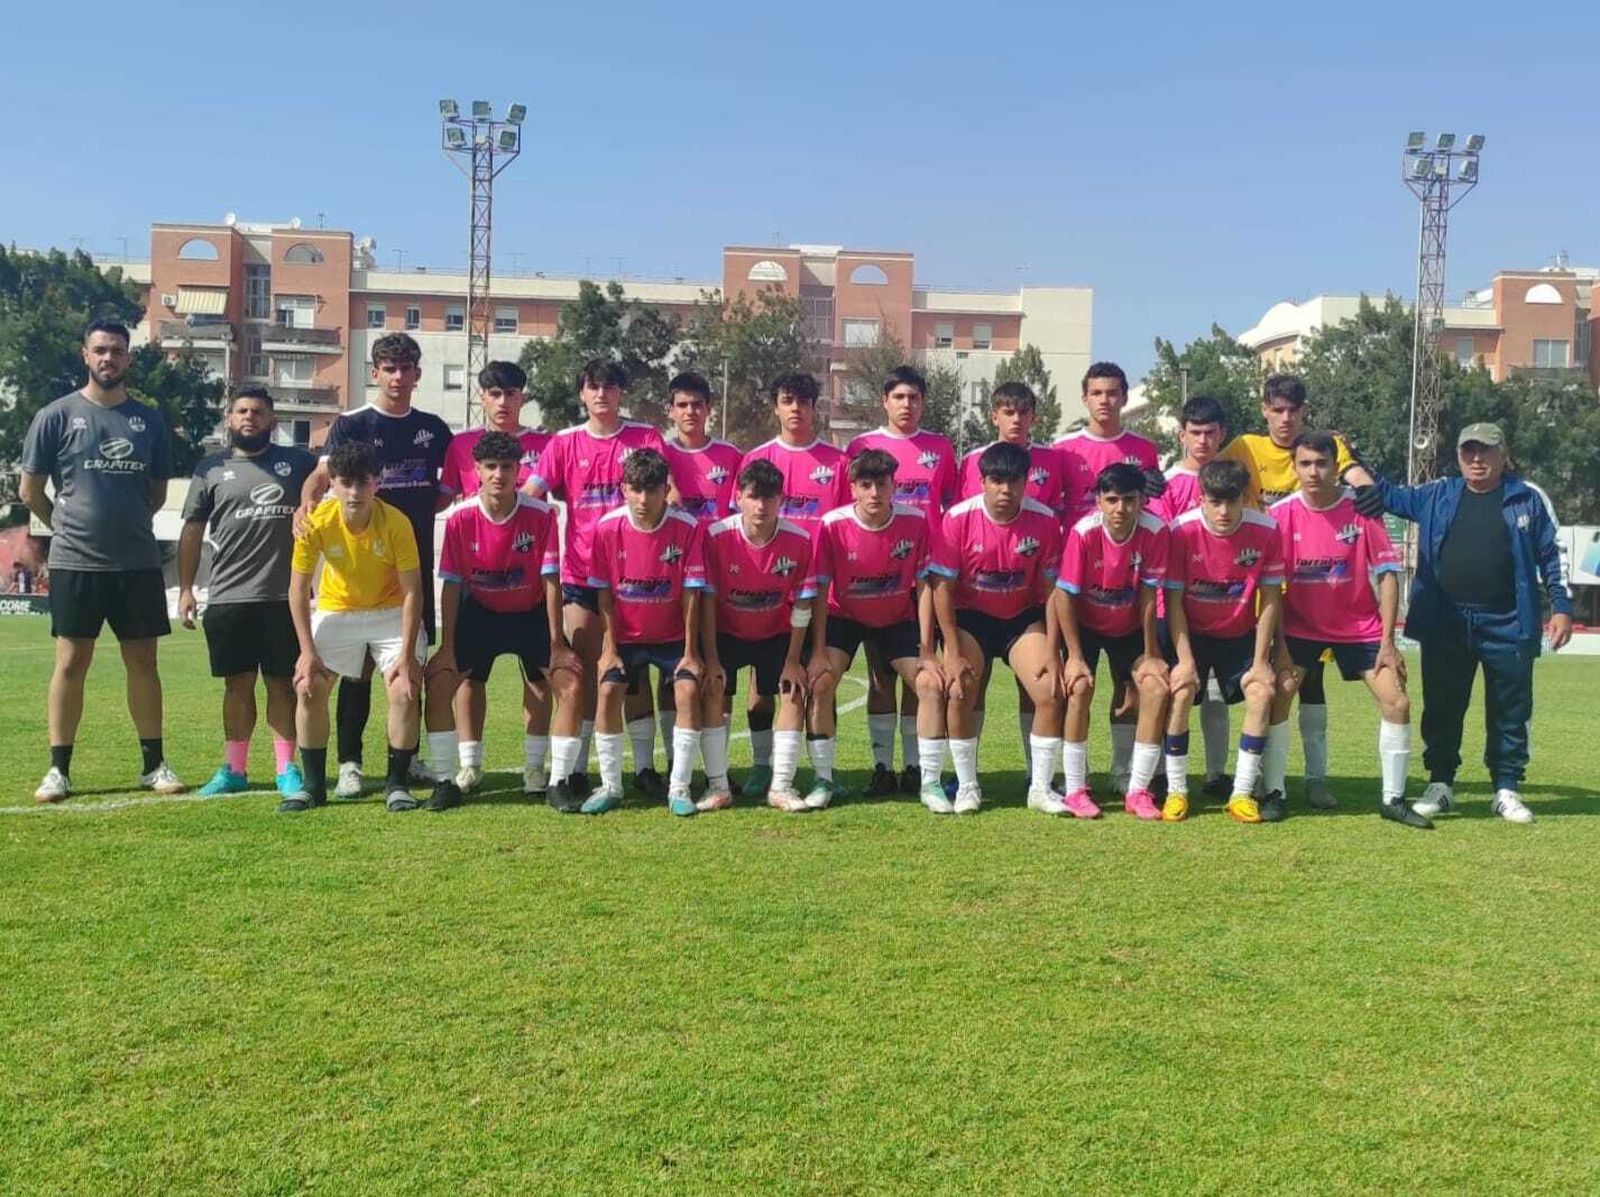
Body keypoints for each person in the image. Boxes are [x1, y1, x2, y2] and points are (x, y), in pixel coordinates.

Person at [1348, 422, 1572, 823]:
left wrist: (1561, 606)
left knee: (1510, 710)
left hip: (1509, 622)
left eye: (1485, 451)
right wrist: (1348, 456)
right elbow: (1388, 494)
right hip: (1445, 621)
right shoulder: (1438, 493)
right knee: (1442, 707)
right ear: (1458, 456)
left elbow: (1553, 555)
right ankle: (1441, 783)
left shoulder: (1528, 498)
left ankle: (1506, 788)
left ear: (1504, 455)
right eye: (1468, 451)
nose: (1477, 459)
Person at [21, 319, 184, 802]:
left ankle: (154, 764)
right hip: (76, 564)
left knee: (144, 663)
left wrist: (124, 522)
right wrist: (68, 527)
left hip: (136, 562)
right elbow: (29, 491)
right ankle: (59, 770)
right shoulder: (55, 415)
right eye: (100, 350)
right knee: (71, 662)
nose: (108, 358)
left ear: (129, 358)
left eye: (117, 350)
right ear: (85, 355)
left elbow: (156, 493)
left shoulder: (149, 420)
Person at [296, 333, 452, 797]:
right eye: (389, 368)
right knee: (356, 672)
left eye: (406, 368)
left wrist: (429, 509)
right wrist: (305, 506)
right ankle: (350, 761)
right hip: (356, 563)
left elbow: (452, 483)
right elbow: (322, 476)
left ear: (417, 375)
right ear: (376, 373)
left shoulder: (433, 428)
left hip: (410, 559)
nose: (398, 377)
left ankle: (408, 758)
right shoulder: (352, 423)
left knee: (407, 667)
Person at [1265, 433, 1430, 828]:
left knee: (1398, 703)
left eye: (1322, 463)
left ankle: (1393, 799)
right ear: (1294, 467)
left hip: (1361, 629)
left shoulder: (1362, 510)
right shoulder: (1281, 515)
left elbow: (1388, 576)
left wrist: (1389, 642)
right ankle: (1274, 791)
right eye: (1305, 464)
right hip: (1301, 628)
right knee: (1279, 696)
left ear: (1335, 466)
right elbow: (1271, 588)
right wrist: (1280, 645)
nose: (1314, 472)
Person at [526, 359, 670, 802]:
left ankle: (645, 768)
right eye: (593, 386)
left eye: (610, 385)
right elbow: (532, 496)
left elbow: (670, 494)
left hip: (640, 576)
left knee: (637, 671)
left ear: (620, 392)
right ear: (582, 394)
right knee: (586, 669)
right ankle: (577, 769)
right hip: (583, 576)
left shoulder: (645, 438)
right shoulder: (564, 442)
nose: (602, 393)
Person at [1219, 374, 1361, 809]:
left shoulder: (1321, 445)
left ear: (1304, 412)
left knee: (1310, 683)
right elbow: (1207, 470)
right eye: (1277, 409)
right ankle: (1257, 776)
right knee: (1262, 681)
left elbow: (1353, 471)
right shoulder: (1243, 447)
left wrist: (1369, 487)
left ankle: (1315, 779)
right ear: (1264, 409)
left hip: (1307, 588)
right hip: (1258, 585)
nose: (1285, 418)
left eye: (1293, 410)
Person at [426, 431, 580, 811]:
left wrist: (558, 643)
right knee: (442, 680)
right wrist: (446, 647)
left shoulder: (542, 514)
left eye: (506, 467)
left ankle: (549, 778)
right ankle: (453, 777)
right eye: (490, 467)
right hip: (480, 613)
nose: (498, 474)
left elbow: (550, 580)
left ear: (519, 470)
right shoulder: (460, 518)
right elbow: (451, 584)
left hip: (529, 614)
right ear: (476, 470)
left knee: (570, 682)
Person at [178, 387, 316, 798]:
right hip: (228, 597)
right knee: (236, 686)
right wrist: (186, 589)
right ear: (229, 419)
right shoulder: (211, 469)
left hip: (283, 599)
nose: (249, 417)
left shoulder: (299, 463)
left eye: (258, 411)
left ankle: (285, 768)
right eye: (241, 411)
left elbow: (331, 493)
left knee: (281, 685)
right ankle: (234, 770)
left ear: (273, 420)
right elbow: (192, 531)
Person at [805, 449, 957, 814]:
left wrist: (926, 649)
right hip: (845, 617)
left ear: (894, 486)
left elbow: (923, 586)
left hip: (895, 617)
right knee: (821, 683)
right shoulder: (832, 524)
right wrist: (819, 649)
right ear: (853, 488)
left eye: (882, 484)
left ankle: (931, 782)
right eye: (866, 485)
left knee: (930, 685)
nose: (874, 492)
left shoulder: (915, 521)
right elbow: (822, 590)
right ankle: (823, 780)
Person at [284, 441, 426, 813]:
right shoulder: (315, 522)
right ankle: (313, 788)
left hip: (391, 612)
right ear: (331, 483)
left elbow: (414, 592)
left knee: (404, 690)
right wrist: (307, 652)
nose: (354, 492)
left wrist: (409, 656)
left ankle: (397, 785)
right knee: (309, 687)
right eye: (345, 482)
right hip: (337, 611)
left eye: (363, 482)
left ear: (377, 483)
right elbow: (298, 591)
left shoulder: (396, 522)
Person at [436, 361, 556, 792]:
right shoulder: (460, 445)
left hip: (530, 584)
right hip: (478, 583)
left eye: (512, 393)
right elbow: (440, 502)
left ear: (523, 396)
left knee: (539, 679)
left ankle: (535, 767)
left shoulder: (547, 443)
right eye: (495, 394)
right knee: (471, 677)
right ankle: (470, 765)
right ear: (482, 396)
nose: (504, 402)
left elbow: (566, 502)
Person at [955, 380, 1081, 778]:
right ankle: (966, 778)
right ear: (994, 415)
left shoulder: (1054, 459)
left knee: (1039, 686)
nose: (1016, 419)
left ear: (1033, 417)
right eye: (1008, 411)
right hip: (975, 602)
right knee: (973, 684)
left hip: (1028, 596)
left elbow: (1062, 511)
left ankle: (1036, 775)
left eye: (1023, 412)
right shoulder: (973, 460)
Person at [931, 442, 1065, 814]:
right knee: (960, 691)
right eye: (997, 481)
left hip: (1020, 618)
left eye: (1015, 481)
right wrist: (952, 649)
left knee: (1051, 691)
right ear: (982, 481)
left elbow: (1054, 591)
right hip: (971, 617)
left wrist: (1054, 650)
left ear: (1027, 482)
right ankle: (968, 786)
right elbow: (941, 587)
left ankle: (1039, 787)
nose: (1006, 490)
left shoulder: (1045, 520)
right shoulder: (958, 518)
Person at [1053, 362, 1166, 795]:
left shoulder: (1144, 449)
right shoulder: (1064, 450)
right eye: (1096, 392)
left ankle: (1123, 772)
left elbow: (1148, 513)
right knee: (1075, 685)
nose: (1105, 400)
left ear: (1123, 397)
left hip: (1126, 585)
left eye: (1113, 392)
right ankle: (1070, 774)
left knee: (1128, 692)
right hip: (1079, 582)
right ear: (1085, 398)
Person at [845, 366, 959, 797]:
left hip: (921, 578)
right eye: (899, 397)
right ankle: (881, 766)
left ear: (923, 403)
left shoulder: (940, 448)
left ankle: (914, 766)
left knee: (920, 672)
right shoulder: (862, 447)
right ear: (884, 401)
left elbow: (946, 505)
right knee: (879, 677)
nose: (906, 404)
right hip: (876, 574)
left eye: (914, 397)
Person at [735, 372, 849, 796]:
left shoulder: (836, 463)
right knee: (762, 686)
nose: (796, 408)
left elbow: (841, 528)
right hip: (766, 591)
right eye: (787, 400)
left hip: (820, 591)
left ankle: (825, 772)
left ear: (815, 407)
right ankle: (763, 767)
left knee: (820, 681)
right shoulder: (757, 460)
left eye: (804, 401)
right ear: (775, 406)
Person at [1158, 459, 1284, 823]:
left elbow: (1272, 599)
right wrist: (1184, 660)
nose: (1225, 511)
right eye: (1215, 502)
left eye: (1233, 501)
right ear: (1202, 498)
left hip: (1238, 636)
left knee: (1262, 692)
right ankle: (1177, 791)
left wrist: (1261, 662)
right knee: (1180, 692)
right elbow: (1175, 601)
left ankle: (1242, 793)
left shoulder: (1267, 530)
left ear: (1245, 497)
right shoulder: (1180, 531)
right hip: (1191, 634)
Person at [585, 449, 708, 816]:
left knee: (686, 689)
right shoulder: (606, 528)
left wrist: (690, 651)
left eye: (652, 490)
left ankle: (679, 788)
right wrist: (609, 648)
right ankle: (610, 786)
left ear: (664, 490)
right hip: (626, 637)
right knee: (608, 689)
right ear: (624, 488)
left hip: (672, 638)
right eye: (636, 489)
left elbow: (692, 592)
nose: (643, 499)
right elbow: (604, 591)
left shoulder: (687, 528)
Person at [1051, 463, 1171, 819]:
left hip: (1129, 627)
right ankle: (1075, 789)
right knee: (1079, 688)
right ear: (1099, 501)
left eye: (1130, 500)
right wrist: (1073, 655)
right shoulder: (1083, 532)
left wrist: (1151, 654)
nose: (1121, 509)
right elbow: (1064, 596)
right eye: (1112, 500)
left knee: (1154, 690)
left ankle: (1138, 791)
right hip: (1084, 624)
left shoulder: (1155, 531)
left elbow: (1150, 596)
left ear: (1142, 501)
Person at [699, 460, 817, 812]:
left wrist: (794, 660)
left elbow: (803, 602)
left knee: (792, 691)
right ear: (738, 497)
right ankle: (718, 786)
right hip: (726, 632)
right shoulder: (716, 536)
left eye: (770, 498)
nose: (761, 507)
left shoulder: (799, 540)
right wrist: (712, 658)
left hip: (776, 634)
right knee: (714, 691)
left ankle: (780, 786)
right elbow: (705, 599)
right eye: (753, 497)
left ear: (782, 499)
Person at [655, 371, 744, 776]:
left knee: (718, 673)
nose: (691, 412)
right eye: (682, 405)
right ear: (670, 411)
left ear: (710, 408)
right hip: (670, 578)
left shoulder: (732, 457)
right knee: (672, 671)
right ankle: (676, 759)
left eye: (698, 404)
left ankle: (715, 764)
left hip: (723, 579)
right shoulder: (659, 456)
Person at [1148, 395, 1234, 797]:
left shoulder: (1233, 482)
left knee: (1215, 693)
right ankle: (1164, 772)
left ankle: (1217, 773)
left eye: (1210, 433)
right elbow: (1162, 547)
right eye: (1195, 433)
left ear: (1222, 435)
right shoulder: (1166, 484)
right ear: (1181, 434)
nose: (1202, 440)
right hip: (1174, 607)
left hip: (1224, 609)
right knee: (1174, 691)